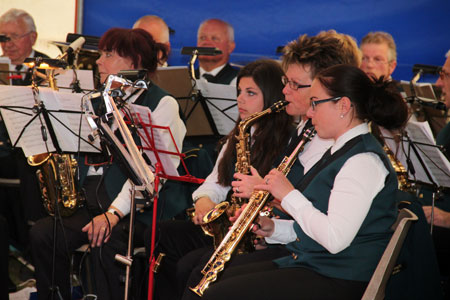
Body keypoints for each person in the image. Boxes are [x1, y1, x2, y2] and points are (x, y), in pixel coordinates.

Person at [197, 64, 408, 300]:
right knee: (219, 281)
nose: (309, 112)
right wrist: (273, 229)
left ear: (344, 106)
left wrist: (288, 195)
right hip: (315, 264)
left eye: (315, 102)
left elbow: (334, 239)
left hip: (339, 278)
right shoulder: (339, 151)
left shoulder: (363, 161)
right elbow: (317, 227)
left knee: (220, 294)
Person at [178, 30, 362, 300]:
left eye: (295, 84)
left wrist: (269, 194)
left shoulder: (346, 149)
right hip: (293, 246)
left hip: (318, 262)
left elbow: (327, 228)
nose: (285, 90)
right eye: (285, 82)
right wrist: (271, 226)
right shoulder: (306, 132)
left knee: (211, 282)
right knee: (196, 271)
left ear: (326, 89)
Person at [29, 27, 185, 300]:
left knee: (105, 242)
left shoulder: (163, 104)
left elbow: (152, 172)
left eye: (108, 55)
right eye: (101, 54)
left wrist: (113, 214)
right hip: (93, 200)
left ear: (134, 61)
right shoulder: (99, 97)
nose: (99, 61)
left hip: (138, 209)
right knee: (44, 232)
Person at [150, 59, 294, 300]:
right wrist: (204, 201)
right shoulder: (240, 134)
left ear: (271, 98)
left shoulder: (287, 141)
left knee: (190, 266)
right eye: (239, 92)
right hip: (228, 224)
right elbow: (215, 182)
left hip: (255, 232)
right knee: (161, 234)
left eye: (250, 93)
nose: (240, 100)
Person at [0, 8, 49, 86]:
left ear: (33, 37)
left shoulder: (49, 68)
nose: (8, 45)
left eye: (15, 37)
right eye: (3, 38)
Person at [194, 18, 239, 85]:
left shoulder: (240, 81)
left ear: (230, 47)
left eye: (214, 38)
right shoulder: (184, 79)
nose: (206, 42)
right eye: (202, 38)